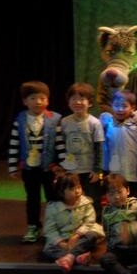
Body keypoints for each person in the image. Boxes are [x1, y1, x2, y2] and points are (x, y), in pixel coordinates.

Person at [8, 80, 65, 243]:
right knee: (32, 198)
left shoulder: (55, 119)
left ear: (48, 100)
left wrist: (62, 165)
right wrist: (12, 166)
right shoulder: (20, 120)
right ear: (25, 101)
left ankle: (55, 226)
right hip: (29, 169)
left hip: (49, 168)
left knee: (53, 198)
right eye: (33, 98)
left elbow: (60, 143)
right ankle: (33, 226)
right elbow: (14, 143)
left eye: (42, 98)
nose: (38, 102)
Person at [42, 172, 104, 273]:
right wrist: (62, 244)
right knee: (48, 250)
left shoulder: (85, 202)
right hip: (63, 238)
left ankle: (69, 257)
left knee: (91, 236)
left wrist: (77, 235)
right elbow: (50, 230)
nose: (77, 191)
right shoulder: (53, 208)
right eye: (71, 189)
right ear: (61, 192)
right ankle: (77, 257)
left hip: (80, 236)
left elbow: (90, 221)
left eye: (78, 187)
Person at [60, 82, 104, 210]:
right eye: (74, 99)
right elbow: (61, 146)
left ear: (90, 103)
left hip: (89, 171)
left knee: (93, 200)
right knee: (70, 199)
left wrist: (97, 170)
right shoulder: (64, 122)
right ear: (68, 102)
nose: (78, 102)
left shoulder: (95, 123)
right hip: (70, 170)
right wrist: (62, 168)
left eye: (82, 99)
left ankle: (95, 221)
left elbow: (99, 148)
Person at [101, 90, 137, 198]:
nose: (120, 109)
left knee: (133, 203)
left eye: (124, 106)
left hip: (132, 175)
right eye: (116, 105)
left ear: (132, 108)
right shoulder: (108, 124)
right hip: (113, 174)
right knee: (114, 201)